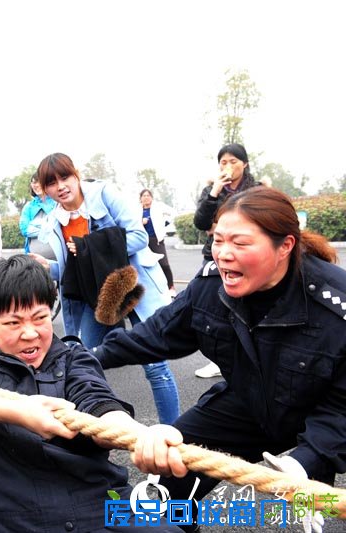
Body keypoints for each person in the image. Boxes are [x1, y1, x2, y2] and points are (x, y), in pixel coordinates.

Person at [94, 187, 343, 532]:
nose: (224, 254)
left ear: (285, 246)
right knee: (170, 474)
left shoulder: (335, 307)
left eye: (240, 244)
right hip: (249, 402)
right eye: (218, 240)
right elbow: (156, 334)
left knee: (315, 508)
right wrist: (91, 357)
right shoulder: (211, 286)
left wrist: (308, 460)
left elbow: (342, 407)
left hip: (317, 416)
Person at [0, 255, 185, 532]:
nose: (30, 333)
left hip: (99, 503)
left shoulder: (73, 358)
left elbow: (99, 405)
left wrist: (140, 435)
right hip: (9, 517)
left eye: (40, 318)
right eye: (13, 322)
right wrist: (20, 412)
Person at [29, 153, 180, 424]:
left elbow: (138, 237)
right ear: (44, 189)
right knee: (84, 363)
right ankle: (101, 433)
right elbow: (74, 268)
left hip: (133, 284)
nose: (60, 186)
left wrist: (89, 245)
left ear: (76, 175)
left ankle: (172, 440)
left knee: (156, 366)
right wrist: (47, 267)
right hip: (96, 296)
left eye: (64, 177)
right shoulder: (54, 220)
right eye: (51, 183)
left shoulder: (103, 194)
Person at [192, 143, 260, 379]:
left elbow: (260, 223)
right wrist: (214, 192)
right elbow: (201, 223)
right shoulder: (213, 190)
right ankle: (219, 359)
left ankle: (254, 357)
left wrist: (220, 228)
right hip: (215, 256)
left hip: (249, 256)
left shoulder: (256, 190)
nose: (228, 166)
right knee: (215, 307)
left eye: (233, 161)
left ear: (245, 164)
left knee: (251, 306)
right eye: (223, 162)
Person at [140, 188, 176, 297]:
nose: (146, 197)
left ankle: (171, 287)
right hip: (143, 242)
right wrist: (141, 221)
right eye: (144, 196)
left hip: (157, 240)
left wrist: (164, 224)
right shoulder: (137, 210)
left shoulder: (158, 207)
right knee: (145, 266)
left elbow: (173, 213)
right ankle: (151, 289)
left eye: (148, 195)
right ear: (140, 198)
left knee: (164, 264)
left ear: (151, 197)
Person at [19, 172, 57, 257]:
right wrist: (47, 226)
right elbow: (25, 230)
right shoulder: (28, 206)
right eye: (33, 182)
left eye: (38, 181)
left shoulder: (57, 202)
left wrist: (33, 225)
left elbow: (58, 226)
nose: (35, 185)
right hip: (34, 260)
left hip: (59, 259)